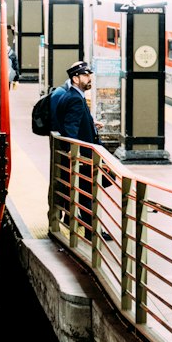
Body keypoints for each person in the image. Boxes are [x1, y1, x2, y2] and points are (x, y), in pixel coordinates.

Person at [52, 60, 109, 237]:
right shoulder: (75, 99)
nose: (89, 78)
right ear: (76, 78)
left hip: (82, 155)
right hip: (82, 156)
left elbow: (75, 122)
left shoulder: (73, 95)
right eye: (85, 75)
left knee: (84, 192)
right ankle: (92, 231)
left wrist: (91, 124)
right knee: (86, 193)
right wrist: (73, 151)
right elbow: (71, 127)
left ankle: (88, 227)